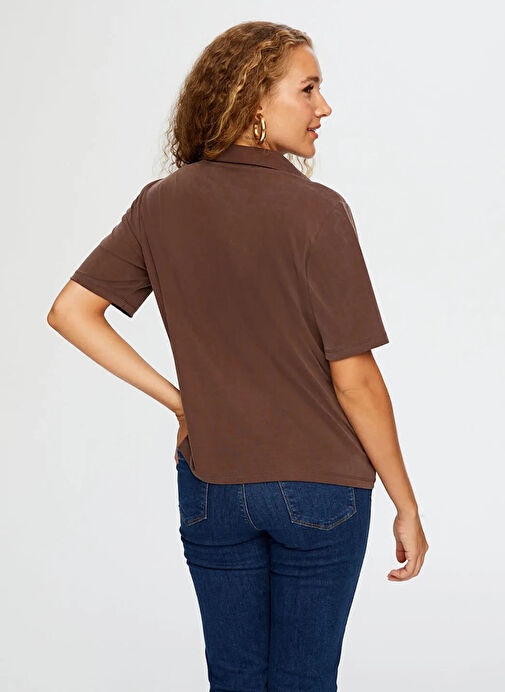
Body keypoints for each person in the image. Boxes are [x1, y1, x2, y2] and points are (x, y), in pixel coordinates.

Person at [47, 20, 429, 691]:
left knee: (234, 679)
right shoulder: (316, 211)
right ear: (255, 100)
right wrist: (406, 503)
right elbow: (356, 380)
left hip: (211, 483)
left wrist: (181, 403)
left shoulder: (160, 204)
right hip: (319, 490)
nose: (323, 107)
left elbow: (71, 312)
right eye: (308, 89)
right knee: (304, 680)